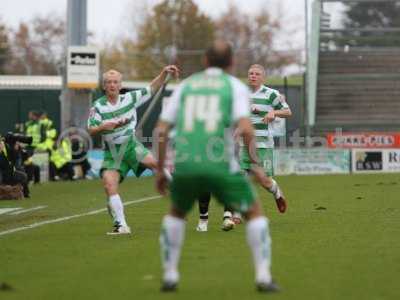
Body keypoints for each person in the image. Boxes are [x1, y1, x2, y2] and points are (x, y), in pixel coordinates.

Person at [155, 40, 280, 293]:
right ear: (232, 63)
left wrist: (160, 169)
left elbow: (161, 130)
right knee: (254, 212)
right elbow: (246, 129)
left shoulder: (187, 85)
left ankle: (169, 276)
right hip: (221, 164)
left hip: (186, 164)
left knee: (176, 214)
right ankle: (263, 277)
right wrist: (255, 163)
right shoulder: (234, 86)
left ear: (205, 61)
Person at [196, 64, 292, 231]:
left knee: (264, 181)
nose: (253, 76)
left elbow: (288, 111)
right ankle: (237, 215)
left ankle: (277, 194)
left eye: (256, 74)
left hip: (263, 144)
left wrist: (273, 113)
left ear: (263, 77)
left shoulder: (271, 94)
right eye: (250, 73)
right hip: (244, 144)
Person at [87, 66, 179, 235]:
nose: (112, 85)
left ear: (120, 85)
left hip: (130, 145)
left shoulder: (130, 98)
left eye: (115, 82)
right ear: (104, 86)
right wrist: (103, 126)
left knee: (156, 164)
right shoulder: (98, 106)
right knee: (109, 184)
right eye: (108, 82)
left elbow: (152, 87)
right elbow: (91, 129)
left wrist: (164, 73)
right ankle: (121, 225)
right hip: (113, 152)